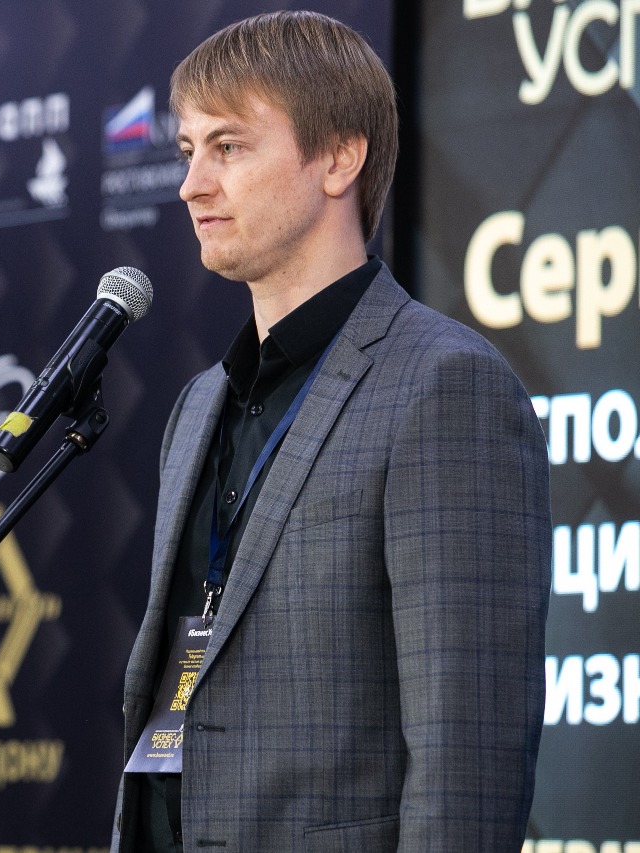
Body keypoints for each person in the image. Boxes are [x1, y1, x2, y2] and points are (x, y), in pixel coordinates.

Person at [112, 10, 551, 852]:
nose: (192, 184)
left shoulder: (446, 386)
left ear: (340, 158)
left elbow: (468, 765)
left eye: (228, 147)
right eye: (188, 151)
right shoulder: (198, 405)